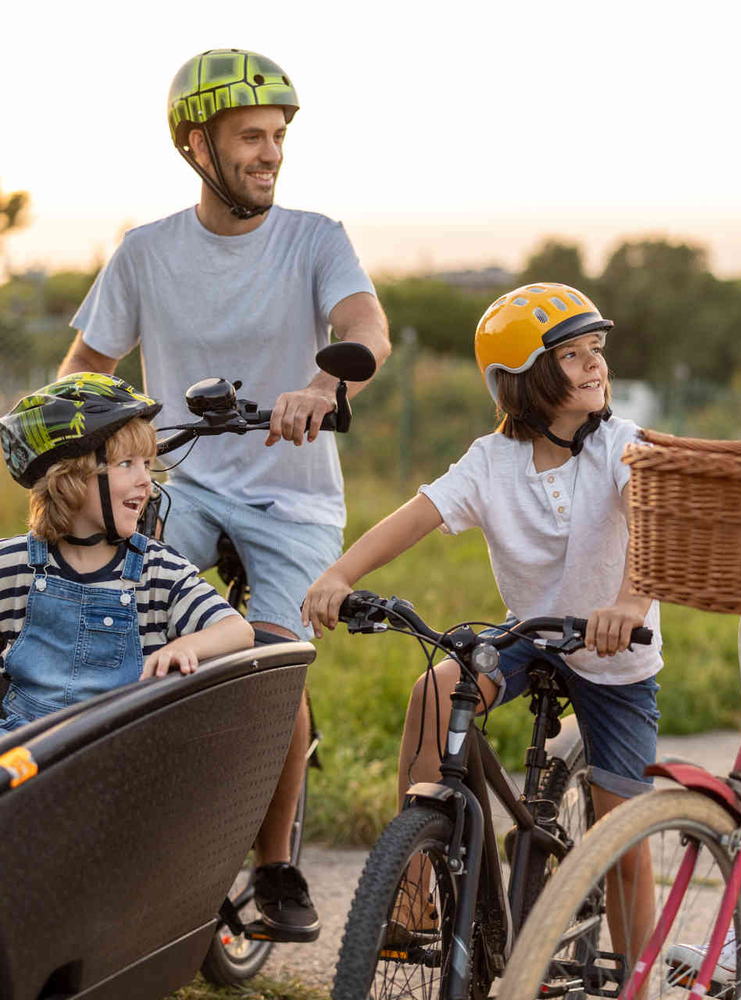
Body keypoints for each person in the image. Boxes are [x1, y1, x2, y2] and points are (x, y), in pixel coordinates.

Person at [56, 49, 391, 942]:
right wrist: (94, 438)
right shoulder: (147, 252)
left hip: (295, 500)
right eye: (251, 137)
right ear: (197, 143)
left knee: (273, 666)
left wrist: (326, 389)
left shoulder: (316, 238)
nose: (270, 153)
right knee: (99, 608)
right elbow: (86, 367)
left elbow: (365, 326)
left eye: (278, 137)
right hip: (187, 479)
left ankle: (277, 861)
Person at [302, 282, 663, 968]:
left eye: (597, 350)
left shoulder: (622, 445)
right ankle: (411, 895)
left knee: (623, 839)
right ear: (523, 379)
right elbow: (416, 515)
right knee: (437, 690)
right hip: (532, 635)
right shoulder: (491, 462)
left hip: (616, 653)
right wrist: (339, 576)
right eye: (574, 355)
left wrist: (630, 606)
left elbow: (652, 526)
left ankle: (640, 981)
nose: (596, 365)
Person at [0, 373, 254, 733]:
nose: (145, 481)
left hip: (117, 752)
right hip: (21, 750)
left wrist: (185, 647)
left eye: (146, 465)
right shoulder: (14, 565)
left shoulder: (158, 570)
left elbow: (237, 630)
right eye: (126, 464)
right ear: (69, 476)